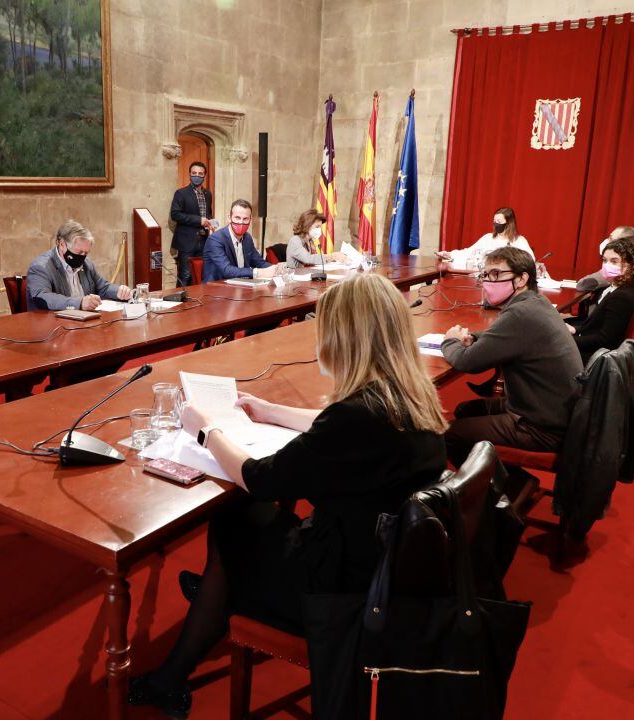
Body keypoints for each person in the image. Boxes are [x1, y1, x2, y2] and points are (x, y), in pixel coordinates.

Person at [128, 273, 448, 718]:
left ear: (345, 340)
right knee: (244, 524)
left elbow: (260, 478)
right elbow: (334, 423)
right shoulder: (409, 396)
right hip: (382, 566)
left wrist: (205, 430)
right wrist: (271, 411)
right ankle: (218, 594)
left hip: (341, 591)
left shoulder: (355, 420)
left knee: (233, 520)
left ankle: (183, 658)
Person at [441, 246, 582, 467]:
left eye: (496, 274)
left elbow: (466, 362)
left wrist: (450, 340)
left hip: (540, 426)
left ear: (521, 279)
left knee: (448, 434)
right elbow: (503, 336)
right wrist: (474, 338)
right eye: (485, 274)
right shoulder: (536, 302)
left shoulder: (520, 313)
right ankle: (491, 476)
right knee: (464, 410)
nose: (488, 281)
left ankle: (500, 491)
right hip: (550, 410)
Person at [566, 236, 634, 364]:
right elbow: (599, 326)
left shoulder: (622, 296)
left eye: (614, 261)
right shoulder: (625, 287)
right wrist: (576, 330)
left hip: (596, 358)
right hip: (596, 348)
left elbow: (605, 340)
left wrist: (566, 340)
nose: (607, 265)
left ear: (629, 265)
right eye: (604, 260)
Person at [26, 219, 133, 311]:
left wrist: (119, 291)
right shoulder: (41, 267)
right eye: (79, 252)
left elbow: (102, 287)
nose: (82, 257)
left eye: (86, 253)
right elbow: (42, 298)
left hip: (84, 324)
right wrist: (80, 303)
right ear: (62, 244)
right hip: (53, 327)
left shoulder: (86, 264)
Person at [200, 199, 276, 282]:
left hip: (241, 286)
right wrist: (258, 272)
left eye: (245, 219)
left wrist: (276, 269)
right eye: (237, 218)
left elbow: (260, 263)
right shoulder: (215, 239)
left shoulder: (247, 238)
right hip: (216, 289)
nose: (241, 222)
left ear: (250, 219)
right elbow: (227, 270)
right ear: (229, 218)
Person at [436, 207, 534, 270]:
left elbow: (530, 261)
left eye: (499, 221)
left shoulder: (519, 241)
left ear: (508, 223)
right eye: (494, 221)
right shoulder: (488, 238)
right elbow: (469, 252)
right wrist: (449, 254)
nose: (496, 224)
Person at [170, 161, 214, 287]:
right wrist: (199, 220)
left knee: (200, 275)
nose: (197, 176)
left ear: (204, 176)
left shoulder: (208, 194)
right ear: (189, 175)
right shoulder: (181, 193)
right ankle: (180, 304)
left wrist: (209, 222)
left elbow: (208, 213)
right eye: (194, 173)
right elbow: (175, 214)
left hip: (204, 242)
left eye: (200, 174)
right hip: (186, 242)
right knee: (185, 276)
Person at [576, 225, 634, 293]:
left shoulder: (615, 271)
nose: (607, 240)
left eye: (610, 238)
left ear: (621, 244)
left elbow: (582, 285)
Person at [284, 208, 349, 269]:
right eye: (317, 226)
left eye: (320, 227)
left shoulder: (309, 241)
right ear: (307, 225)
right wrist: (333, 256)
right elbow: (308, 259)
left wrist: (334, 260)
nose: (319, 230)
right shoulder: (295, 240)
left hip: (305, 276)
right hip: (293, 278)